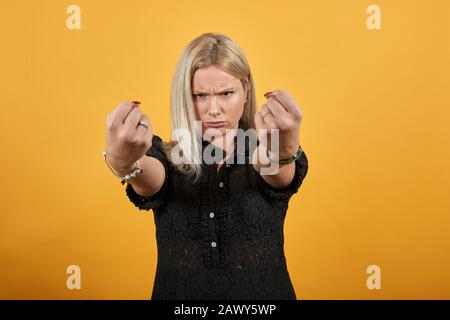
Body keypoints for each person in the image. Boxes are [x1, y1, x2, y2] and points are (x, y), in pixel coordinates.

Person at [104, 32, 308, 299]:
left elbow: (273, 171)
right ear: (184, 98)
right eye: (199, 96)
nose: (214, 109)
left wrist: (282, 151)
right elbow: (150, 180)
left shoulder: (262, 150)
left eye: (226, 93)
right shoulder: (167, 155)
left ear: (246, 91)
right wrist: (126, 163)